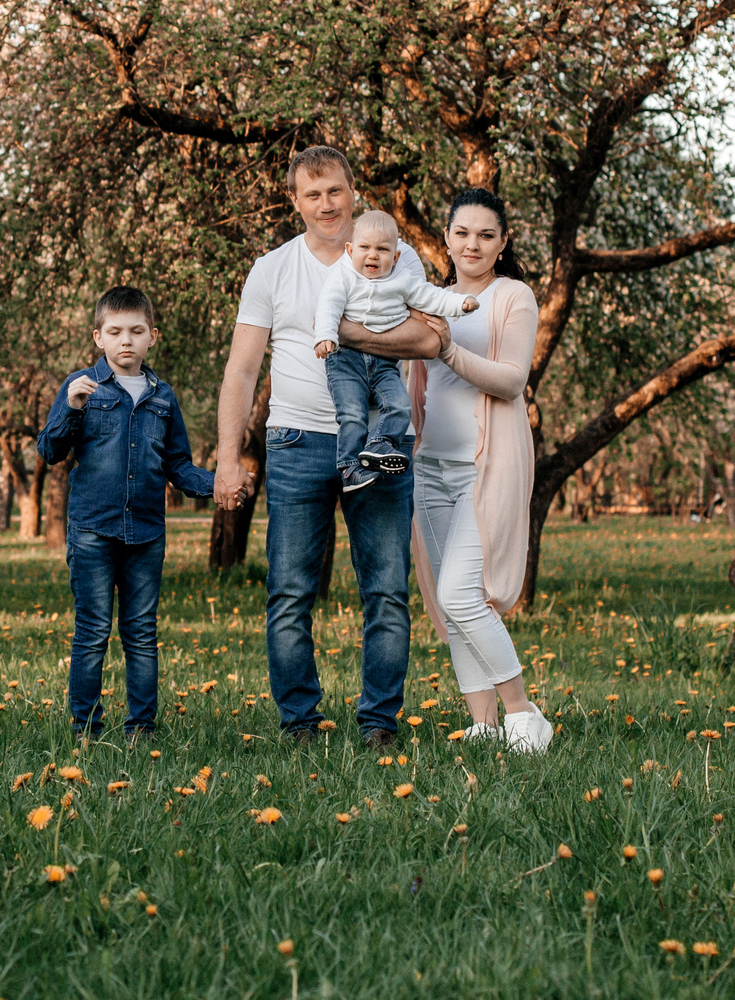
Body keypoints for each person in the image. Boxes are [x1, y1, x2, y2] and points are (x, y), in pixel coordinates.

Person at [214, 147, 445, 750]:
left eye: (335, 192)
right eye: (312, 195)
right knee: (290, 591)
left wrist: (346, 331)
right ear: (294, 200)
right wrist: (226, 454)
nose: (326, 205)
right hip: (293, 444)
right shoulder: (272, 268)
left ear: (352, 190)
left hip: (379, 444)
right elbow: (241, 371)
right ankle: (299, 725)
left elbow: (430, 336)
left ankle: (378, 726)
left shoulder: (395, 256)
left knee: (387, 590)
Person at [36, 285, 216, 738]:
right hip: (92, 530)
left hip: (147, 533)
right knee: (93, 632)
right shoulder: (83, 387)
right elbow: (50, 450)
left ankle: (141, 727)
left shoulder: (163, 397)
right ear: (99, 337)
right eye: (115, 332)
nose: (126, 341)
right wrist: (72, 409)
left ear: (152, 336)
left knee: (140, 633)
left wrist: (219, 484)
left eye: (136, 331)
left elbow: (178, 465)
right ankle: (85, 728)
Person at [408, 188, 552, 752]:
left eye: (486, 235)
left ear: (502, 243)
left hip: (484, 468)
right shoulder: (428, 300)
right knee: (449, 603)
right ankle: (483, 723)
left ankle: (522, 715)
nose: (473, 244)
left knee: (464, 596)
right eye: (462, 233)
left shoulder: (512, 297)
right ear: (446, 238)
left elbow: (512, 380)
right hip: (429, 467)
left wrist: (445, 350)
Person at [313, 210, 476, 493]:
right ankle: (350, 468)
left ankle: (379, 444)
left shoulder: (403, 279)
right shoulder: (344, 276)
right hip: (345, 360)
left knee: (400, 405)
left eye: (382, 249)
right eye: (365, 248)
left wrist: (460, 304)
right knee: (352, 412)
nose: (373, 255)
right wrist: (326, 336)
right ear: (350, 250)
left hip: (385, 362)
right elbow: (328, 305)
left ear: (396, 256)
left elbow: (431, 296)